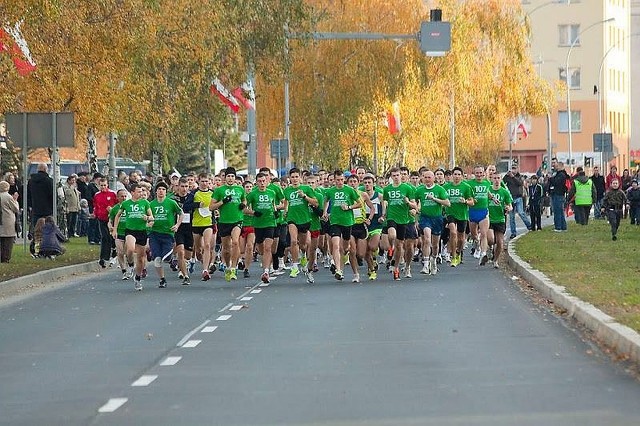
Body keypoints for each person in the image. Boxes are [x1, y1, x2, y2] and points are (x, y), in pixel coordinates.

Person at [112, 183, 154, 290]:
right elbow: (117, 216)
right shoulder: (126, 204)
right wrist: (115, 229)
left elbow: (152, 217)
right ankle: (130, 264)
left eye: (141, 192)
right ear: (132, 192)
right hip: (130, 231)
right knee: (130, 249)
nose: (141, 193)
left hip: (142, 231)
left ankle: (138, 278)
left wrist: (147, 218)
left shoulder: (145, 203)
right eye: (139, 192)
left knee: (140, 258)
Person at [323, 170, 362, 281]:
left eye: (341, 180)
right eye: (337, 180)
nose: (340, 182)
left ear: (344, 179)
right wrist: (325, 212)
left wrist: (349, 207)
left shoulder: (349, 190)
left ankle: (345, 256)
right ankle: (338, 270)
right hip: (335, 221)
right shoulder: (330, 191)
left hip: (347, 221)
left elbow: (359, 203)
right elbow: (326, 201)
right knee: (335, 245)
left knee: (345, 248)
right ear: (334, 180)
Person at [210, 167, 246, 282]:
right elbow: (211, 207)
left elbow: (244, 201)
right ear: (224, 178)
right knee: (226, 249)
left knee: (235, 242)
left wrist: (243, 205)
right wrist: (222, 202)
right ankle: (227, 266)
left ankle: (234, 268)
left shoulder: (240, 189)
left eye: (232, 176)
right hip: (224, 221)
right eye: (228, 176)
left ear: (235, 178)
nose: (230, 178)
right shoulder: (219, 190)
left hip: (237, 220)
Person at [245, 172, 278, 283]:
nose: (262, 183)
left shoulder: (272, 192)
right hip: (258, 224)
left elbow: (274, 206)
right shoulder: (252, 194)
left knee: (268, 248)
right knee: (261, 249)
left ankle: (266, 271)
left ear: (267, 181)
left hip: (270, 223)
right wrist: (253, 212)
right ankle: (265, 262)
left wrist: (276, 212)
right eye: (260, 181)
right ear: (256, 182)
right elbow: (243, 209)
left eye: (264, 181)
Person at [149, 181, 183, 288]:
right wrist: (148, 222)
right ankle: (162, 279)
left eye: (163, 189)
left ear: (166, 191)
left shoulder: (171, 203)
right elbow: (147, 217)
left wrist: (177, 225)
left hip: (168, 234)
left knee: (166, 258)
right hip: (154, 234)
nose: (161, 191)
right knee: (157, 259)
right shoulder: (151, 204)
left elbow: (181, 213)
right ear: (156, 191)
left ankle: (172, 260)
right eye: (159, 189)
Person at [415, 169, 450, 275]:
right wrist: (415, 214)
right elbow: (415, 203)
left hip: (437, 218)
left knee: (435, 245)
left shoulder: (439, 189)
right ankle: (425, 265)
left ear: (434, 178)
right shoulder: (419, 190)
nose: (427, 179)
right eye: (425, 177)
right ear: (422, 178)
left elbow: (447, 203)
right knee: (426, 239)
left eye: (429, 177)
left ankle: (433, 260)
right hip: (425, 218)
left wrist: (435, 199)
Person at [487, 173, 513, 269]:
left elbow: (510, 205)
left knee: (500, 243)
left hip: (500, 219)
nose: (497, 180)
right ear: (492, 179)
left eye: (498, 178)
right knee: (491, 239)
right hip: (489, 218)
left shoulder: (504, 192)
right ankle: (490, 247)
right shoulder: (488, 190)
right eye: (495, 178)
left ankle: (495, 260)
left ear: (501, 179)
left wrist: (508, 208)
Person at [93, 178, 117, 268]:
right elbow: (95, 206)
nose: (103, 187)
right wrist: (95, 214)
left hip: (111, 219)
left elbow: (118, 205)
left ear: (107, 185)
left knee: (112, 237)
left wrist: (112, 210)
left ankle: (114, 253)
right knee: (104, 237)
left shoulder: (112, 194)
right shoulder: (97, 195)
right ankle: (103, 257)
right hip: (101, 218)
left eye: (104, 185)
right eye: (101, 185)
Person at [502, 165, 531, 238]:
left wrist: (513, 177)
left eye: (514, 168)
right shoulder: (507, 177)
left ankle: (529, 226)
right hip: (511, 198)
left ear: (517, 169)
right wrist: (506, 175)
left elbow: (520, 183)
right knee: (511, 217)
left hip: (518, 197)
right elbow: (502, 182)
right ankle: (513, 232)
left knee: (521, 213)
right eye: (512, 168)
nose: (513, 170)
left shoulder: (519, 176)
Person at [27, 163, 54, 230]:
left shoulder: (31, 181)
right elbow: (52, 194)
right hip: (47, 208)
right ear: (45, 169)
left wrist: (30, 205)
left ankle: (36, 238)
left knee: (36, 226)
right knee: (48, 227)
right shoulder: (49, 181)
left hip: (35, 207)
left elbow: (28, 194)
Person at [0, 180, 20, 263]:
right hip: (8, 220)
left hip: (1, 221)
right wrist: (15, 200)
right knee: (8, 241)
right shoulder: (8, 197)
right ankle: (6, 258)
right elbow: (16, 209)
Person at [548, 161, 569, 232]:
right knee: (560, 211)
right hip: (558, 194)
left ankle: (558, 227)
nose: (555, 167)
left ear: (560, 166)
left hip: (558, 194)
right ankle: (563, 227)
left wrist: (551, 178)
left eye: (557, 166)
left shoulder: (561, 175)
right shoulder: (561, 174)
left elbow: (556, 182)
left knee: (558, 211)